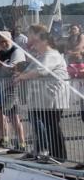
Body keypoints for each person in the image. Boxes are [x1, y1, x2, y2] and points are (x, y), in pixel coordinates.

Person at [14, 25, 70, 162]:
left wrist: (21, 77)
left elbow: (40, 70)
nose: (33, 43)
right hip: (42, 99)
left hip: (53, 98)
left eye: (33, 36)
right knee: (42, 124)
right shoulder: (41, 55)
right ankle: (40, 151)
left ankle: (59, 156)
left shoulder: (52, 55)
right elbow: (30, 69)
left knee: (52, 126)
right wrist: (21, 74)